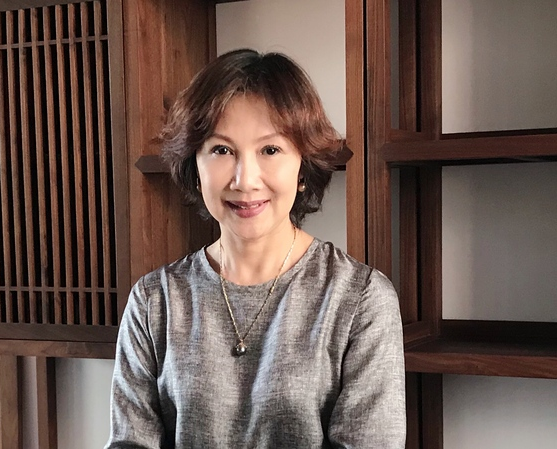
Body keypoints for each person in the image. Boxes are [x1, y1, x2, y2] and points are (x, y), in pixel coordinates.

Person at [106, 48, 405, 448]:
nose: (245, 180)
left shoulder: (359, 299)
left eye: (270, 150)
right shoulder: (154, 301)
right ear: (195, 167)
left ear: (303, 167)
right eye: (222, 150)